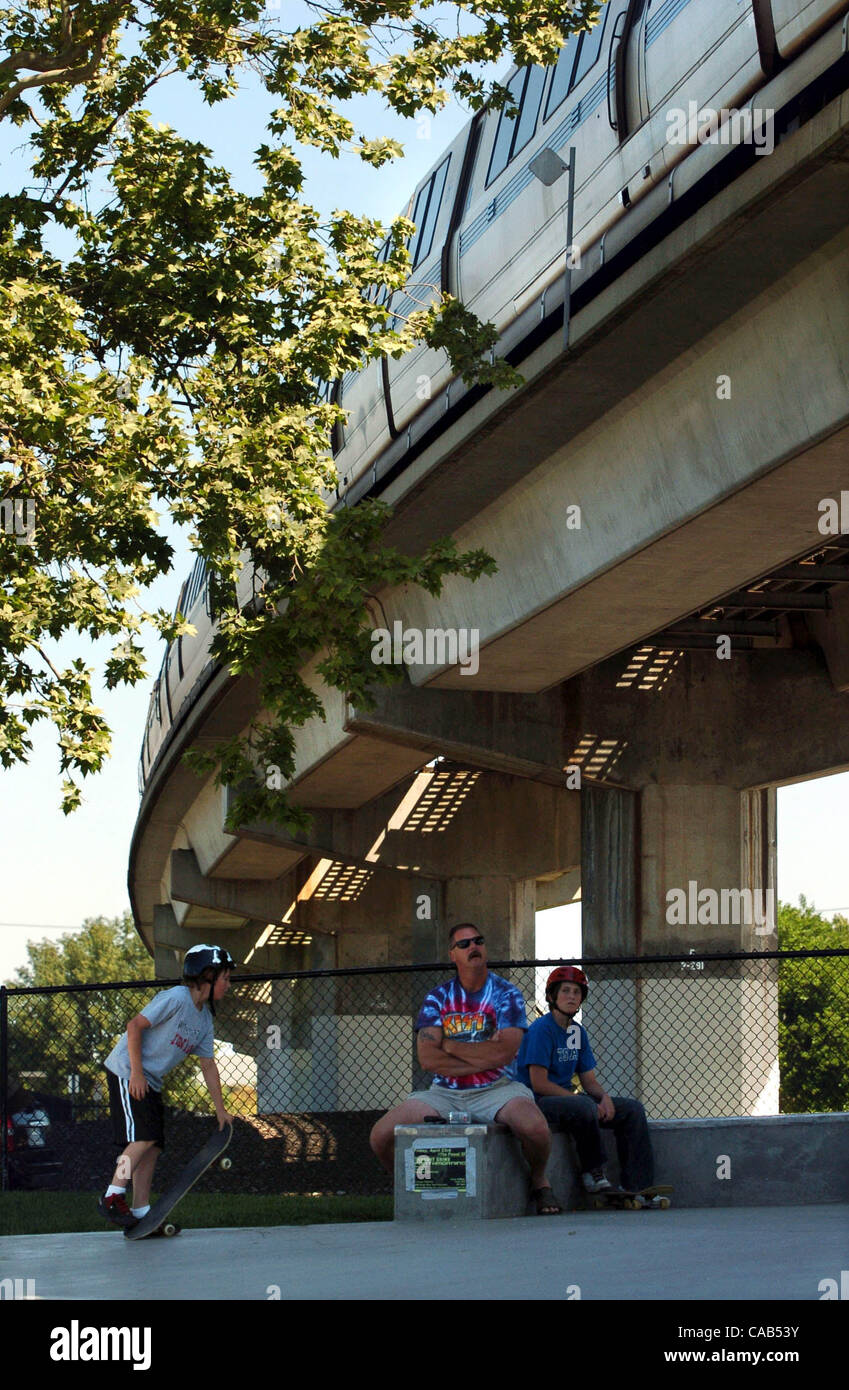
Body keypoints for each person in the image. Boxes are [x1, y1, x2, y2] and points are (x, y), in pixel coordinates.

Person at [370, 923, 562, 1214]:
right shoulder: (438, 998)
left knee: (535, 1127)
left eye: (478, 941)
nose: (473, 947)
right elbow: (428, 1059)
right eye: (464, 944)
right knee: (380, 1135)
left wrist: (450, 1046)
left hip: (497, 1090)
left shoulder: (506, 994)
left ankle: (539, 1182)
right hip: (444, 1092)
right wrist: (483, 1052)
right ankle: (407, 1189)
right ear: (453, 955)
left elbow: (506, 1052)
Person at [98, 943, 237, 1235]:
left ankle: (141, 1211)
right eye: (225, 977)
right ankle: (112, 1193)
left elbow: (208, 1065)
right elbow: (134, 1026)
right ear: (207, 976)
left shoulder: (204, 1020)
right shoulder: (176, 998)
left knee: (153, 1145)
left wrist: (220, 1110)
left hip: (149, 1080)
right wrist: (136, 1073)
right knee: (141, 1138)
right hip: (127, 1070)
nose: (228, 984)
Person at [516, 965, 660, 1206]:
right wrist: (580, 1100)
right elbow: (538, 1083)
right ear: (552, 996)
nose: (572, 996)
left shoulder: (576, 1031)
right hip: (536, 1102)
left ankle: (637, 1185)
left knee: (632, 1109)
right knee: (583, 1105)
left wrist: (604, 1098)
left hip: (568, 1101)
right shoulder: (541, 1029)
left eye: (577, 992)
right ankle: (593, 1172)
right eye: (566, 991)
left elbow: (588, 1080)